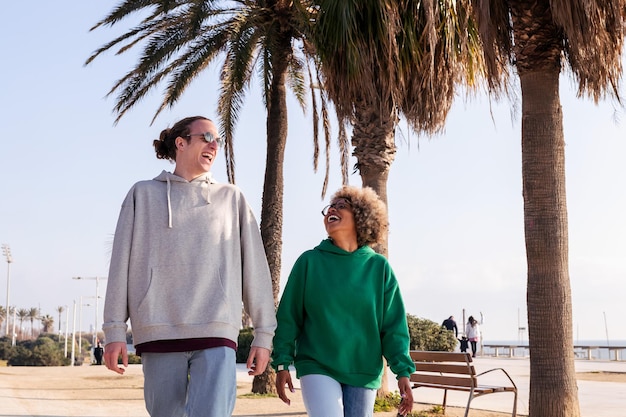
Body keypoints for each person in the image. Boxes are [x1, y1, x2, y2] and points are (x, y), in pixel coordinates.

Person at [102, 116, 277, 417]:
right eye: (206, 136)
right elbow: (120, 265)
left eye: (218, 140)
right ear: (180, 143)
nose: (214, 145)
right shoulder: (141, 195)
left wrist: (264, 334)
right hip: (158, 328)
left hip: (216, 328)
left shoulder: (231, 198)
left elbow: (256, 270)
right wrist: (114, 331)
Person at [272, 186, 415, 417]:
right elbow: (289, 318)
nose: (332, 210)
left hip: (364, 370)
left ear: (361, 217)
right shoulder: (309, 262)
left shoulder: (379, 268)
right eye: (330, 206)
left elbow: (393, 327)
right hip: (316, 364)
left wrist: (403, 373)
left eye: (341, 206)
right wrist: (281, 363)